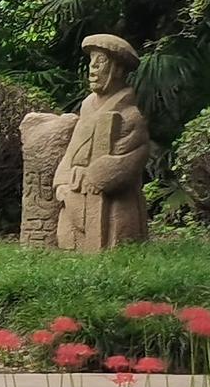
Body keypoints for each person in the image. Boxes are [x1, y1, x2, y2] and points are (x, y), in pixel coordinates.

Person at [53, 34, 150, 252]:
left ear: (118, 69)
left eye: (101, 61)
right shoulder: (87, 108)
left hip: (113, 208)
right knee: (70, 246)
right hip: (75, 196)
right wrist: (62, 182)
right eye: (91, 61)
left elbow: (137, 154)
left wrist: (103, 172)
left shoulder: (130, 116)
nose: (93, 67)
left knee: (116, 244)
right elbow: (72, 151)